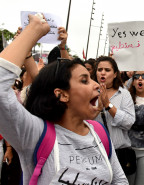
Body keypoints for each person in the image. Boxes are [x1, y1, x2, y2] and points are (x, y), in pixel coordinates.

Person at [0, 14, 127, 184]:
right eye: (84, 80)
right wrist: (31, 32)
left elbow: (119, 181)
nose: (96, 85)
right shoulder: (36, 133)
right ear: (62, 94)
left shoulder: (100, 133)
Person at [94, 56, 136, 176]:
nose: (103, 73)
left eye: (107, 70)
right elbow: (82, 121)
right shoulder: (89, 92)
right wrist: (97, 109)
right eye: (99, 69)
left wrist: (108, 105)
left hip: (119, 154)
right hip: (94, 152)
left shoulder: (124, 94)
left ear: (115, 74)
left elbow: (129, 122)